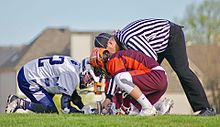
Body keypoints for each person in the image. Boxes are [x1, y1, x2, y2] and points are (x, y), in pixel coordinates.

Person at [94, 18, 215, 116]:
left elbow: (150, 57)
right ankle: (148, 106)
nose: (109, 58)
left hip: (171, 36)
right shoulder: (122, 39)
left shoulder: (128, 39)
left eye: (107, 53)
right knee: (140, 77)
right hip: (159, 45)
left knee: (182, 70)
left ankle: (205, 108)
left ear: (110, 43)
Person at [90, 47, 169, 116]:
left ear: (100, 62)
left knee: (121, 78)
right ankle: (159, 106)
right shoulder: (117, 58)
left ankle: (148, 108)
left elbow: (118, 79)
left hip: (156, 75)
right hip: (159, 77)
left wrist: (108, 98)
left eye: (98, 69)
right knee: (135, 105)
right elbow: (126, 90)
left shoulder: (114, 59)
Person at [5, 55, 96, 114]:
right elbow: (65, 109)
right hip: (28, 79)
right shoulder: (72, 74)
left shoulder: (75, 67)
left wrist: (83, 107)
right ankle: (19, 102)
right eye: (90, 78)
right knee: (50, 111)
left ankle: (25, 102)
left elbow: (72, 94)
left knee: (48, 106)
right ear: (85, 70)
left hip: (31, 73)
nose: (90, 82)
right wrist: (82, 113)